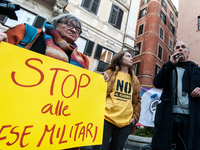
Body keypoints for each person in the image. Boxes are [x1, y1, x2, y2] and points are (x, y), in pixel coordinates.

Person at [0, 14, 89, 150]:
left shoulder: (83, 60)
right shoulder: (26, 33)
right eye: (70, 24)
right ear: (55, 23)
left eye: (78, 29)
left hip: (55, 126)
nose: (74, 30)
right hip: (16, 119)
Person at [151, 41, 200, 150]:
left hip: (189, 116)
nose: (180, 49)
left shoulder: (196, 70)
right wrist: (170, 64)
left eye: (183, 47)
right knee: (163, 146)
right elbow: (157, 83)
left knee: (186, 147)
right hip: (168, 115)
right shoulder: (168, 67)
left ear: (188, 53)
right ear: (174, 52)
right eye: (177, 48)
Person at [93, 50, 141, 150]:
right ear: (120, 58)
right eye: (128, 56)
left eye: (131, 57)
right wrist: (100, 78)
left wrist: (135, 117)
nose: (131, 58)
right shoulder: (109, 73)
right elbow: (97, 92)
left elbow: (138, 101)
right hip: (106, 119)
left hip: (126, 122)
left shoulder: (135, 80)